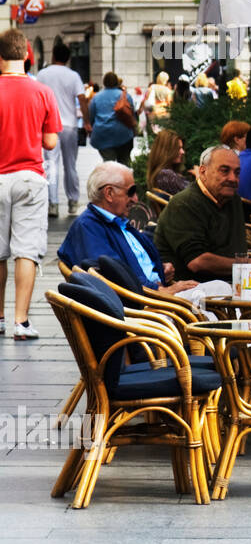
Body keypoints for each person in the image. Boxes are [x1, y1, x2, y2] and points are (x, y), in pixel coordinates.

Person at [0, 29, 61, 340]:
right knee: (25, 251)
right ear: (26, 55)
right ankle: (20, 322)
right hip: (29, 176)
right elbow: (50, 141)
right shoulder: (42, 92)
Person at [58, 162, 198, 295]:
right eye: (131, 192)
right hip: (145, 308)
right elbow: (113, 277)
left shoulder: (117, 222)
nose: (135, 199)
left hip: (154, 295)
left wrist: (160, 269)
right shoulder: (88, 227)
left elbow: (130, 264)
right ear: (109, 193)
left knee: (215, 290)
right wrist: (159, 290)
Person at [153, 145, 248, 280]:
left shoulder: (233, 200)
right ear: (203, 172)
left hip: (230, 284)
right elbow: (197, 262)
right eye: (224, 171)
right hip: (189, 292)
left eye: (237, 173)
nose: (233, 178)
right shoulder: (184, 204)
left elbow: (238, 253)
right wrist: (248, 264)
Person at [36, 41, 85, 218]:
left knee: (51, 165)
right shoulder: (73, 76)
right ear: (68, 58)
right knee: (70, 164)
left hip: (49, 125)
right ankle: (73, 201)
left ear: (53, 56)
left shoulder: (42, 74)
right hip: (70, 125)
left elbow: (36, 97)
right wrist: (87, 121)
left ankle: (53, 203)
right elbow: (82, 98)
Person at [87, 71, 136, 165]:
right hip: (123, 134)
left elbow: (91, 117)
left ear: (104, 82)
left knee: (108, 164)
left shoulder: (96, 97)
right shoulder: (125, 96)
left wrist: (90, 131)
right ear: (116, 82)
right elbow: (132, 114)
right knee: (124, 163)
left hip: (103, 135)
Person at [146, 129, 191, 195]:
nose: (183, 152)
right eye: (178, 148)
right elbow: (194, 198)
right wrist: (200, 177)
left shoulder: (164, 174)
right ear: (167, 151)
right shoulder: (166, 175)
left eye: (182, 148)